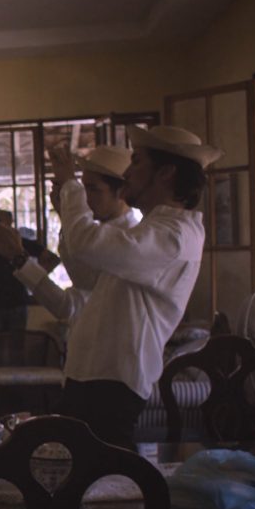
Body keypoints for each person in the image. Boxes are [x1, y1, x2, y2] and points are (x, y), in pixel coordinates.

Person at [35, 126, 221, 450]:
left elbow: (86, 243)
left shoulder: (173, 237)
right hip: (94, 374)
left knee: (109, 483)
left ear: (165, 173)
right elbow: (87, 277)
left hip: (113, 382)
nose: (129, 173)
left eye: (137, 162)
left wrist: (70, 185)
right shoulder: (155, 229)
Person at [0, 146, 137, 323]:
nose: (86, 199)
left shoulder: (130, 239)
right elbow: (68, 306)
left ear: (122, 192)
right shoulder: (100, 235)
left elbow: (82, 273)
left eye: (93, 189)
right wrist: (19, 258)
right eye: (84, 189)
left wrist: (69, 187)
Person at [0, 209, 58, 334]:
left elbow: (53, 259)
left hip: (16, 304)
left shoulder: (22, 244)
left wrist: (36, 278)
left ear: (8, 223)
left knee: (16, 348)